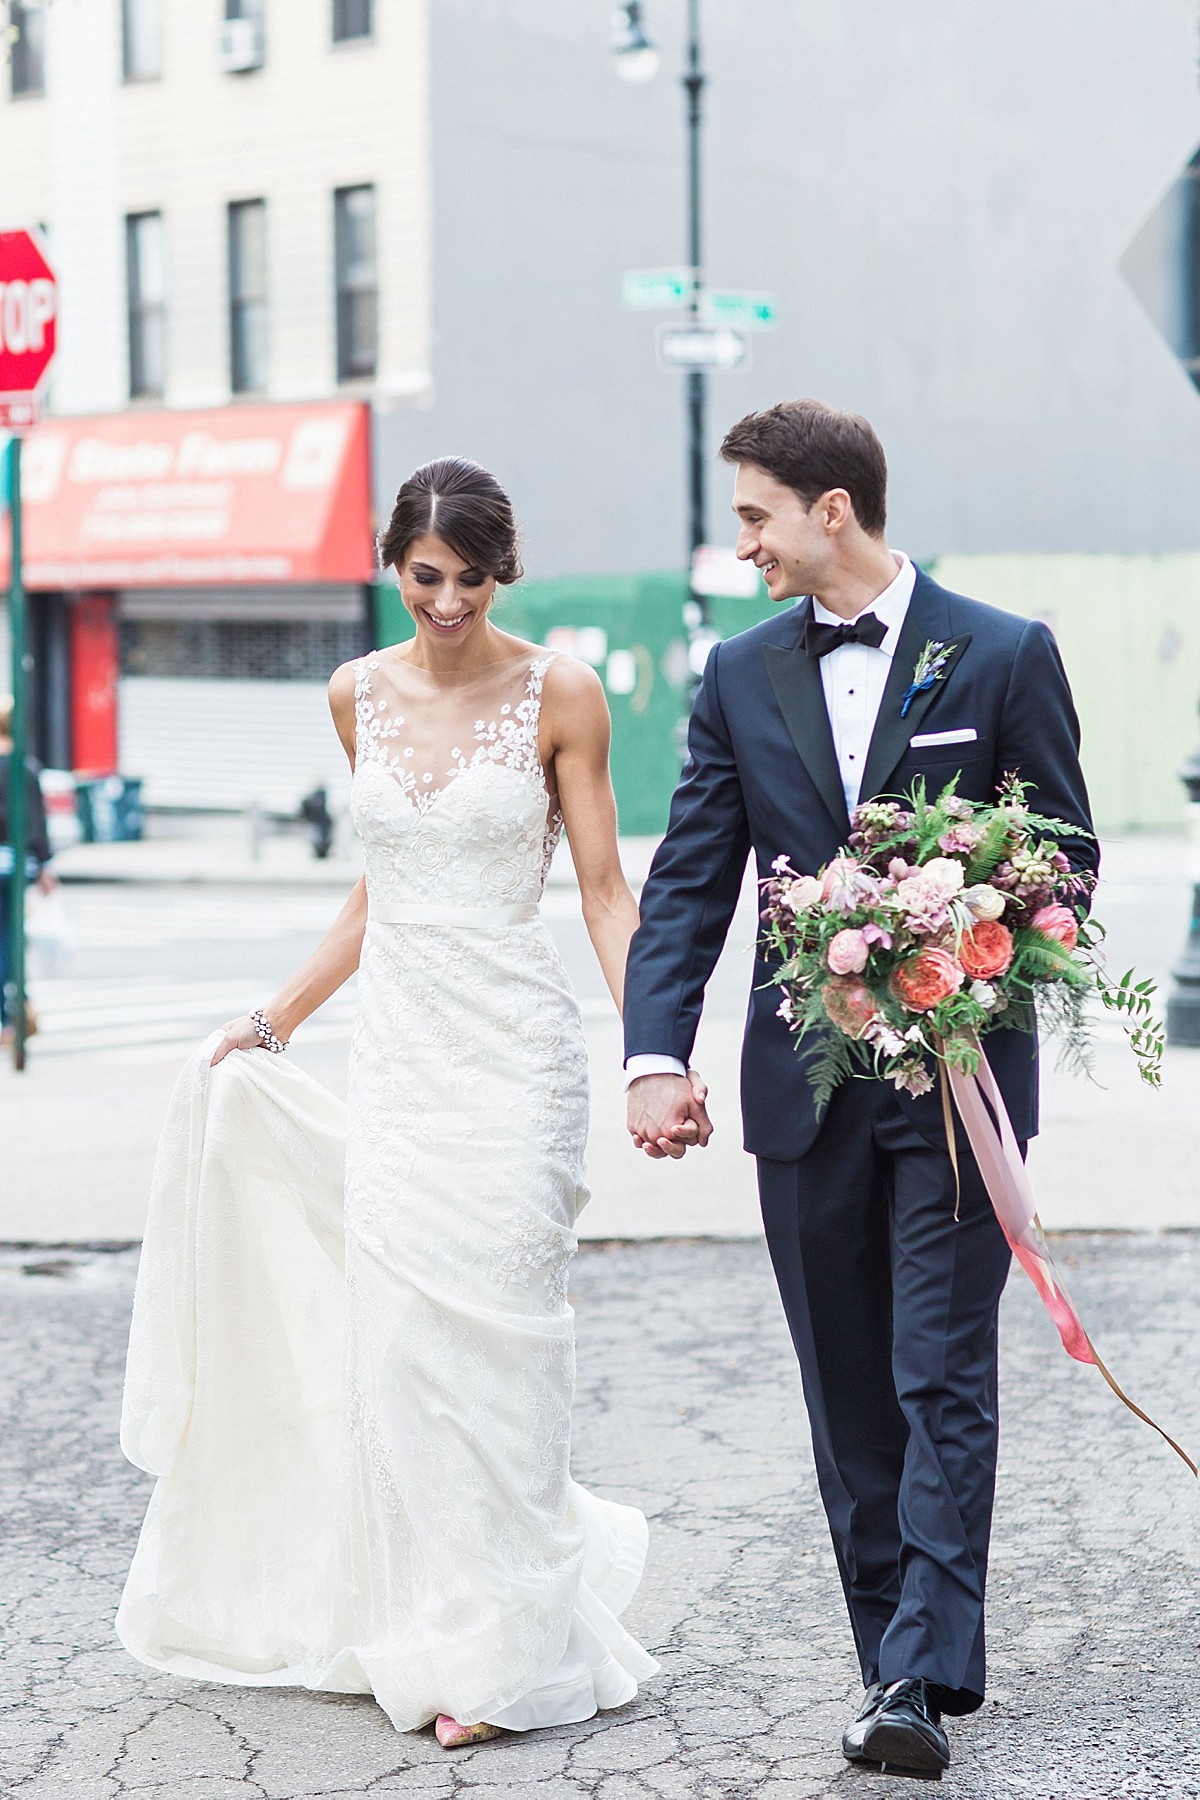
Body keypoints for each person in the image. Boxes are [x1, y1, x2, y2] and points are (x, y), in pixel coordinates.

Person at [117, 457, 681, 1746]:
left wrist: (656, 1050)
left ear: (502, 574)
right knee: (407, 1355)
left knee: (501, 1344)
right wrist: (275, 1020)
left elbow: (602, 891)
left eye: (472, 581)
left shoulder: (564, 692)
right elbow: (377, 894)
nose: (448, 602)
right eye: (426, 577)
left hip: (515, 1059)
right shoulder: (352, 693)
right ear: (394, 565)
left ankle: (506, 1648)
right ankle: (434, 1631)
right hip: (403, 1063)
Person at [623, 400, 1097, 1776]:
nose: (745, 543)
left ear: (832, 507)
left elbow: (1062, 862)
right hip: (803, 1096)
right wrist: (659, 1055)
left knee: (939, 1373)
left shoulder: (1004, 652)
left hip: (958, 1085)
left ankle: (912, 1680)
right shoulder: (738, 672)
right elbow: (693, 881)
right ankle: (895, 1646)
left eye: (758, 514)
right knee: (850, 1393)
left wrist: (957, 927)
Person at [0, 694, 54, 1047]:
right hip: (14, 864)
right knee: (10, 936)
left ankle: (12, 1013)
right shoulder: (23, 765)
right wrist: (45, 864)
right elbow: (36, 821)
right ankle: (17, 1009)